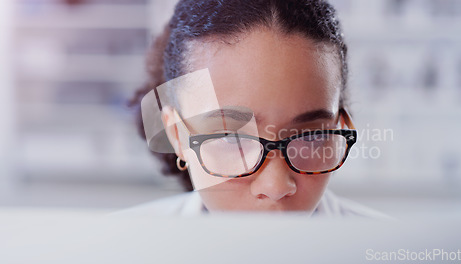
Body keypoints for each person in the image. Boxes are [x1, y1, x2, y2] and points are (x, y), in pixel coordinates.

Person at [124, 0, 387, 218]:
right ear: (178, 136)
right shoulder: (116, 250)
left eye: (312, 136)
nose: (276, 187)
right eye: (233, 138)